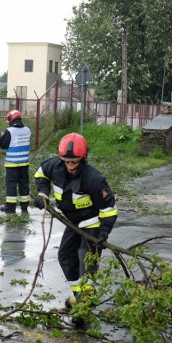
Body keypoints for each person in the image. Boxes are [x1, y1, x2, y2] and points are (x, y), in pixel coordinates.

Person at [33, 133, 118, 326]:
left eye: (75, 162)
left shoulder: (94, 179)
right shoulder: (54, 166)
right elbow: (40, 174)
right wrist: (42, 194)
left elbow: (109, 209)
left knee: (85, 263)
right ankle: (79, 297)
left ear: (83, 158)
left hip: (92, 223)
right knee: (65, 256)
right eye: (67, 162)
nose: (70, 166)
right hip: (73, 223)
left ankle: (83, 307)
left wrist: (102, 235)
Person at [0, 109, 32, 213]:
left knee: (11, 185)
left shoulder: (9, 131)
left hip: (12, 164)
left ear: (11, 119)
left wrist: (2, 137)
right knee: (24, 184)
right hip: (24, 163)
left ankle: (11, 207)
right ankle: (24, 206)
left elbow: (3, 145)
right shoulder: (27, 130)